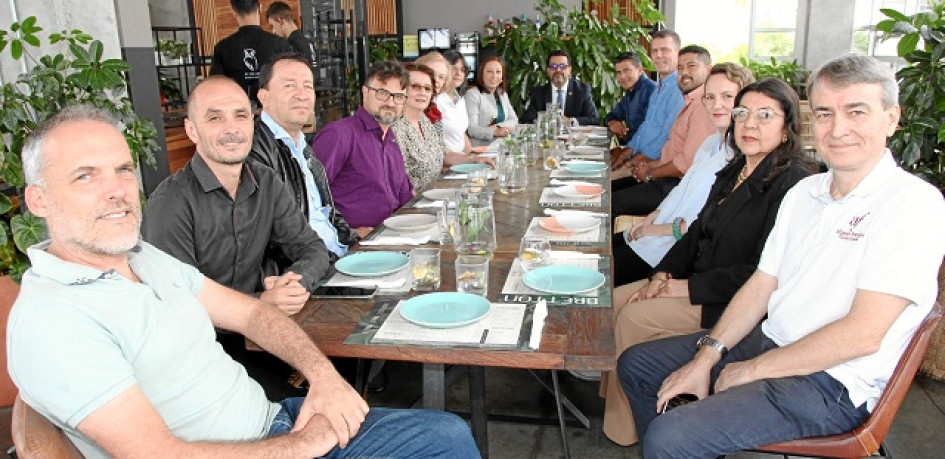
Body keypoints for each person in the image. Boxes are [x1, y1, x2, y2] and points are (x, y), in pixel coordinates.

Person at [7, 103, 479, 459]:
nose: (116, 190)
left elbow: (253, 312)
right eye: (85, 176)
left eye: (123, 169)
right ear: (38, 200)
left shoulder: (142, 257)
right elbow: (160, 455)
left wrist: (324, 379)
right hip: (261, 447)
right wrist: (300, 445)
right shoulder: (54, 320)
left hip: (274, 420)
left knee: (448, 435)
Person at [619, 54, 945, 458]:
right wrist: (707, 357)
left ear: (892, 118)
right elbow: (761, 284)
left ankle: (678, 444)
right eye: (825, 113)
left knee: (671, 436)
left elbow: (863, 334)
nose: (838, 128)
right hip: (769, 341)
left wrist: (751, 370)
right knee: (637, 365)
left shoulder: (912, 204)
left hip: (831, 381)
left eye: (856, 111)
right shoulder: (806, 193)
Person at [604, 73, 822, 448]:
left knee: (634, 316)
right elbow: (695, 232)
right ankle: (617, 412)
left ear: (787, 128)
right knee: (613, 301)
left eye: (765, 115)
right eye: (742, 113)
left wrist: (683, 288)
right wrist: (662, 274)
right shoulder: (737, 167)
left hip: (729, 302)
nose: (749, 124)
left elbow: (763, 272)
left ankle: (632, 431)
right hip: (693, 281)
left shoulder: (793, 183)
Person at [144, 76, 330, 316]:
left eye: (241, 115)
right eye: (215, 118)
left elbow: (310, 246)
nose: (232, 129)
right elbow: (178, 301)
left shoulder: (266, 182)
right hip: (204, 342)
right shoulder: (170, 204)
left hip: (264, 327)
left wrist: (294, 284)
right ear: (192, 130)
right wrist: (260, 302)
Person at [611, 63, 754, 287]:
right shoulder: (710, 144)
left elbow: (705, 225)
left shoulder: (739, 159)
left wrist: (654, 230)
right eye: (709, 97)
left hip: (671, 254)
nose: (717, 105)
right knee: (597, 250)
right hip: (654, 232)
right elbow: (681, 189)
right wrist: (653, 215)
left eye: (727, 96)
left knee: (597, 272)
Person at [249, 55, 359, 262]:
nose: (302, 95)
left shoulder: (302, 145)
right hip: (310, 268)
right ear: (264, 97)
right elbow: (278, 236)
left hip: (339, 255)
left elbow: (328, 213)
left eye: (308, 87)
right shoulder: (253, 149)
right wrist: (333, 263)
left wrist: (355, 243)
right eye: (289, 86)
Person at [611, 45, 716, 216]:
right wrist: (645, 166)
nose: (684, 73)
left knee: (608, 203)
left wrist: (650, 172)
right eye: (680, 68)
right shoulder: (688, 100)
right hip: (663, 173)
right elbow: (670, 150)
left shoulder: (702, 107)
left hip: (678, 186)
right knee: (605, 194)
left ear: (708, 70)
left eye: (692, 66)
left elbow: (684, 164)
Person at [312, 60, 413, 233]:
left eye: (398, 97)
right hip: (354, 246)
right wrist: (348, 234)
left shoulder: (392, 141)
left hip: (394, 235)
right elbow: (310, 200)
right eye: (382, 93)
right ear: (365, 92)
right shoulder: (339, 135)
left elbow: (405, 197)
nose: (390, 102)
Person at [391, 63, 489, 190]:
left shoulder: (424, 120)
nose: (422, 92)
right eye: (415, 87)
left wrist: (476, 160)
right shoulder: (395, 127)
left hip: (435, 194)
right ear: (401, 90)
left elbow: (444, 154)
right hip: (413, 204)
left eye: (427, 88)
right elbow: (398, 182)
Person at [609, 30, 684, 168]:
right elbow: (645, 127)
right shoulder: (659, 88)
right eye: (655, 51)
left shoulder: (679, 89)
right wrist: (626, 152)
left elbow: (666, 136)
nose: (658, 55)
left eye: (665, 50)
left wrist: (630, 162)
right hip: (638, 157)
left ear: (678, 53)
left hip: (654, 166)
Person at [210, 0, 293, 107]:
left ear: (233, 12)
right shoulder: (280, 44)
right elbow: (290, 81)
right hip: (273, 111)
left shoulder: (222, 47)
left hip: (238, 112)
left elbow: (216, 85)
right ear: (260, 7)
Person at [521, 49, 599, 126]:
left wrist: (571, 121)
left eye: (562, 66)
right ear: (548, 71)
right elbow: (528, 119)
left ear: (570, 70)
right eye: (553, 66)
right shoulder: (539, 92)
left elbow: (593, 119)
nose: (558, 70)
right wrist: (546, 121)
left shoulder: (582, 90)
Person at [604, 51, 657, 144]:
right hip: (633, 147)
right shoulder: (631, 91)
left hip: (646, 151)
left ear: (640, 70)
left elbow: (650, 133)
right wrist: (612, 122)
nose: (622, 76)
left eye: (627, 70)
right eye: (619, 72)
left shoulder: (650, 91)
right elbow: (613, 115)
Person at [464, 56, 519, 141]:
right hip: (481, 147)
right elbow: (472, 129)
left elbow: (514, 120)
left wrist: (498, 126)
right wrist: (494, 132)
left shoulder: (502, 94)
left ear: (502, 76)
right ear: (482, 74)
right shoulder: (473, 94)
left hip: (502, 144)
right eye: (489, 72)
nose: (494, 76)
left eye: (498, 72)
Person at [434, 50, 477, 154]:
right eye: (454, 68)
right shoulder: (435, 100)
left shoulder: (459, 99)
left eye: (462, 70)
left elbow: (461, 132)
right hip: (445, 164)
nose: (458, 73)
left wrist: (471, 156)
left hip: (459, 161)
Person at [265, 1, 316, 68]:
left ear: (280, 21)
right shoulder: (308, 41)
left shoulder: (289, 46)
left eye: (272, 26)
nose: (273, 31)